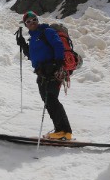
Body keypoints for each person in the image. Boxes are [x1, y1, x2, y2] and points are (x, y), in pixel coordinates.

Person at [16, 11, 73, 140]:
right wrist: (23, 44)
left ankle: (64, 131)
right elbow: (33, 57)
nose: (32, 22)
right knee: (48, 100)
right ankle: (61, 129)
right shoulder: (34, 38)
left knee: (51, 99)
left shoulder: (46, 32)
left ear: (37, 20)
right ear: (25, 25)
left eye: (34, 19)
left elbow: (58, 45)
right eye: (28, 21)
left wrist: (57, 64)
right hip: (42, 73)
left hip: (52, 71)